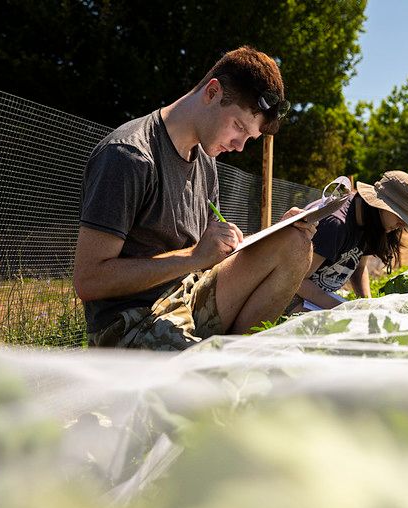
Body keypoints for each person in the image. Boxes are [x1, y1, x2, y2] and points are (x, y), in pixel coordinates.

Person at [73, 46, 315, 350]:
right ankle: (224, 368)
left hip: (188, 295)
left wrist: (273, 234)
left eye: (249, 138)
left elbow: (207, 256)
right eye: (239, 126)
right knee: (205, 386)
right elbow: (88, 280)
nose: (240, 146)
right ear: (212, 93)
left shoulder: (206, 161)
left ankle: (239, 359)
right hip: (131, 323)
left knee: (293, 244)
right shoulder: (129, 156)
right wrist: (193, 258)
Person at [286, 170, 408, 313]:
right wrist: (346, 310)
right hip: (286, 298)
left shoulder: (369, 222)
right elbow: (298, 281)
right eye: (399, 216)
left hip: (315, 298)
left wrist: (368, 306)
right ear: (382, 205)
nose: (402, 224)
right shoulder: (336, 225)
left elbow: (358, 268)